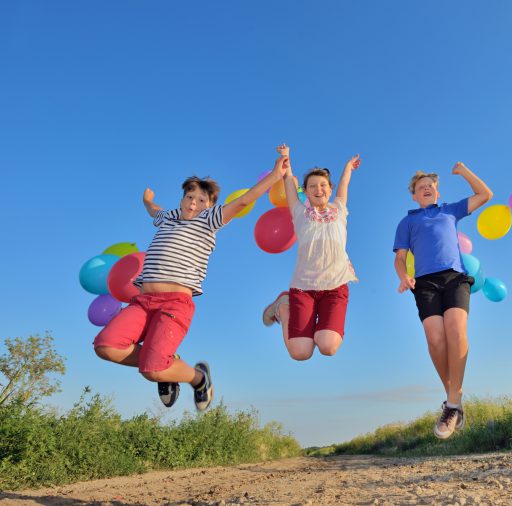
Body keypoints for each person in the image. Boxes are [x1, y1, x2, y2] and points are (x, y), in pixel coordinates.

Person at [93, 154, 287, 411]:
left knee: (152, 371)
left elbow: (243, 201)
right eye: (189, 197)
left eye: (200, 201)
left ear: (209, 206)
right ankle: (168, 365)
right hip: (142, 302)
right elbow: (154, 211)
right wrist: (147, 201)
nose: (193, 204)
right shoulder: (169, 217)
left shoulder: (209, 221)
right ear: (182, 197)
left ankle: (198, 378)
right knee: (106, 346)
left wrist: (274, 176)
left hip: (174, 304)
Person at [392, 163, 493, 439]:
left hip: (454, 278)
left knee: (456, 329)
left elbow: (485, 194)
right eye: (420, 186)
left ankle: (452, 402)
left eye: (430, 185)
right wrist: (404, 277)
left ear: (437, 191)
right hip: (424, 283)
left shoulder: (450, 210)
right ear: (414, 195)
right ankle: (455, 402)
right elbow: (400, 258)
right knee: (435, 338)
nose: (426, 187)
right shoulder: (408, 222)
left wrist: (465, 172)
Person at [262, 144, 360, 361]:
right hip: (304, 287)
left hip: (335, 286)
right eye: (313, 186)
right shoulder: (299, 211)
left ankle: (314, 325)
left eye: (323, 185)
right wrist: (286, 159)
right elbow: (288, 183)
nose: (319, 189)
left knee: (328, 346)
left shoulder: (339, 209)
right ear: (305, 191)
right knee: (300, 352)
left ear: (330, 188)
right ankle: (283, 306)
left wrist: (348, 169)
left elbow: (344, 185)